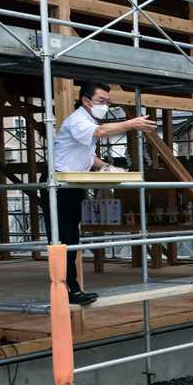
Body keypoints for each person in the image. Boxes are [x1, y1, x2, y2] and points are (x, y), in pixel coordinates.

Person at [41, 80, 156, 305]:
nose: (105, 105)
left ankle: (70, 288)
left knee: (72, 238)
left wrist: (105, 166)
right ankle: (66, 290)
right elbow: (102, 131)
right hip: (58, 182)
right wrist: (131, 123)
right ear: (86, 100)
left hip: (73, 183)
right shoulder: (78, 120)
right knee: (62, 239)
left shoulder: (88, 120)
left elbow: (85, 154)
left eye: (107, 101)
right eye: (101, 101)